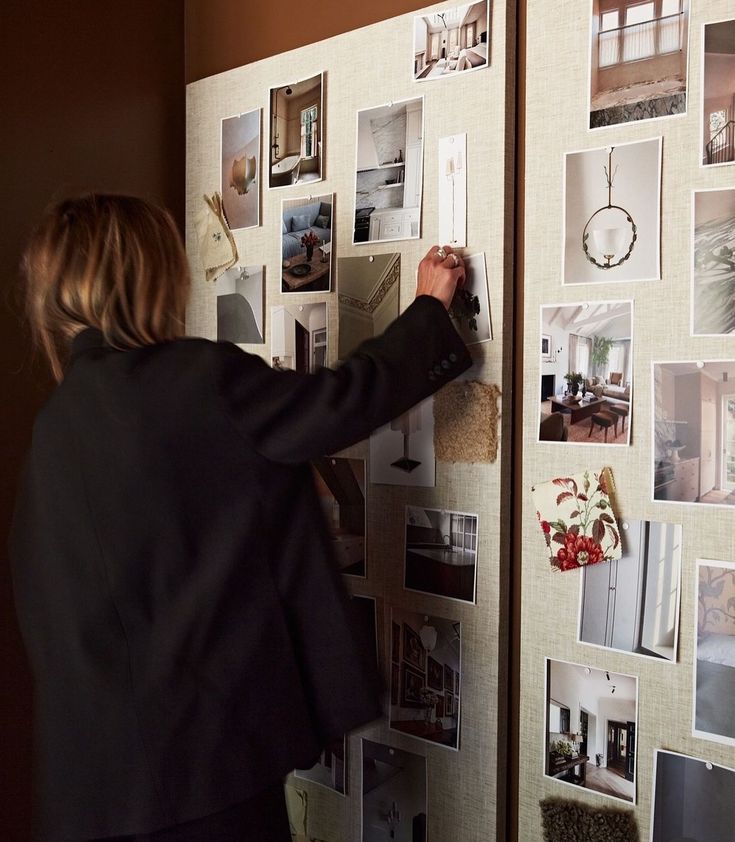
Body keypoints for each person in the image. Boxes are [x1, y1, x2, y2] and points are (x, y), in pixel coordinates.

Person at [9, 194, 471, 841]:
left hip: (87, 794)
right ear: (150, 276)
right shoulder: (197, 380)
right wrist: (429, 309)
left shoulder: (58, 423)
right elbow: (344, 400)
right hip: (199, 780)